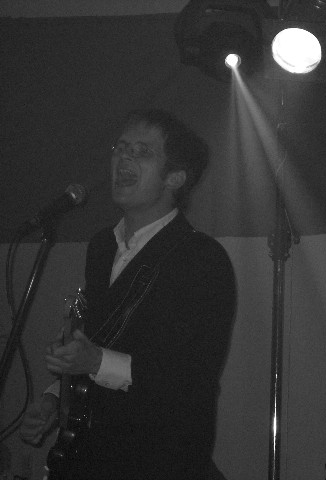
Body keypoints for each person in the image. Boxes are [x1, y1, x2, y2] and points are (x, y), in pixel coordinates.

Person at [19, 109, 236, 479]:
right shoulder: (102, 246)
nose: (124, 158)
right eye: (120, 147)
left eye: (142, 151)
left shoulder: (202, 258)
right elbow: (97, 342)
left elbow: (191, 377)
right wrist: (56, 398)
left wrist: (94, 362)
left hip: (158, 462)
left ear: (175, 177)